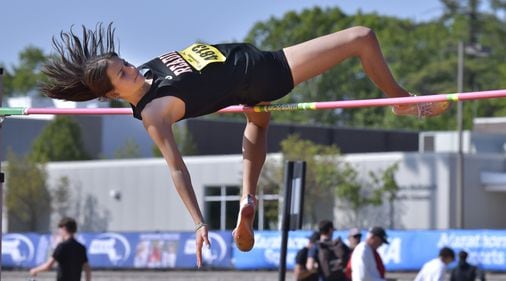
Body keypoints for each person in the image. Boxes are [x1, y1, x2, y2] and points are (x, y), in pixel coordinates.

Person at [40, 23, 450, 267]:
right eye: (123, 74)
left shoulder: (145, 75)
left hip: (252, 73)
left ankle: (246, 199)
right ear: (113, 95)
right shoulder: (154, 113)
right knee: (361, 37)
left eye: (124, 63)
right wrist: (200, 223)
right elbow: (176, 168)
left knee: (258, 119)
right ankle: (402, 101)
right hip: (267, 70)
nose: (132, 70)